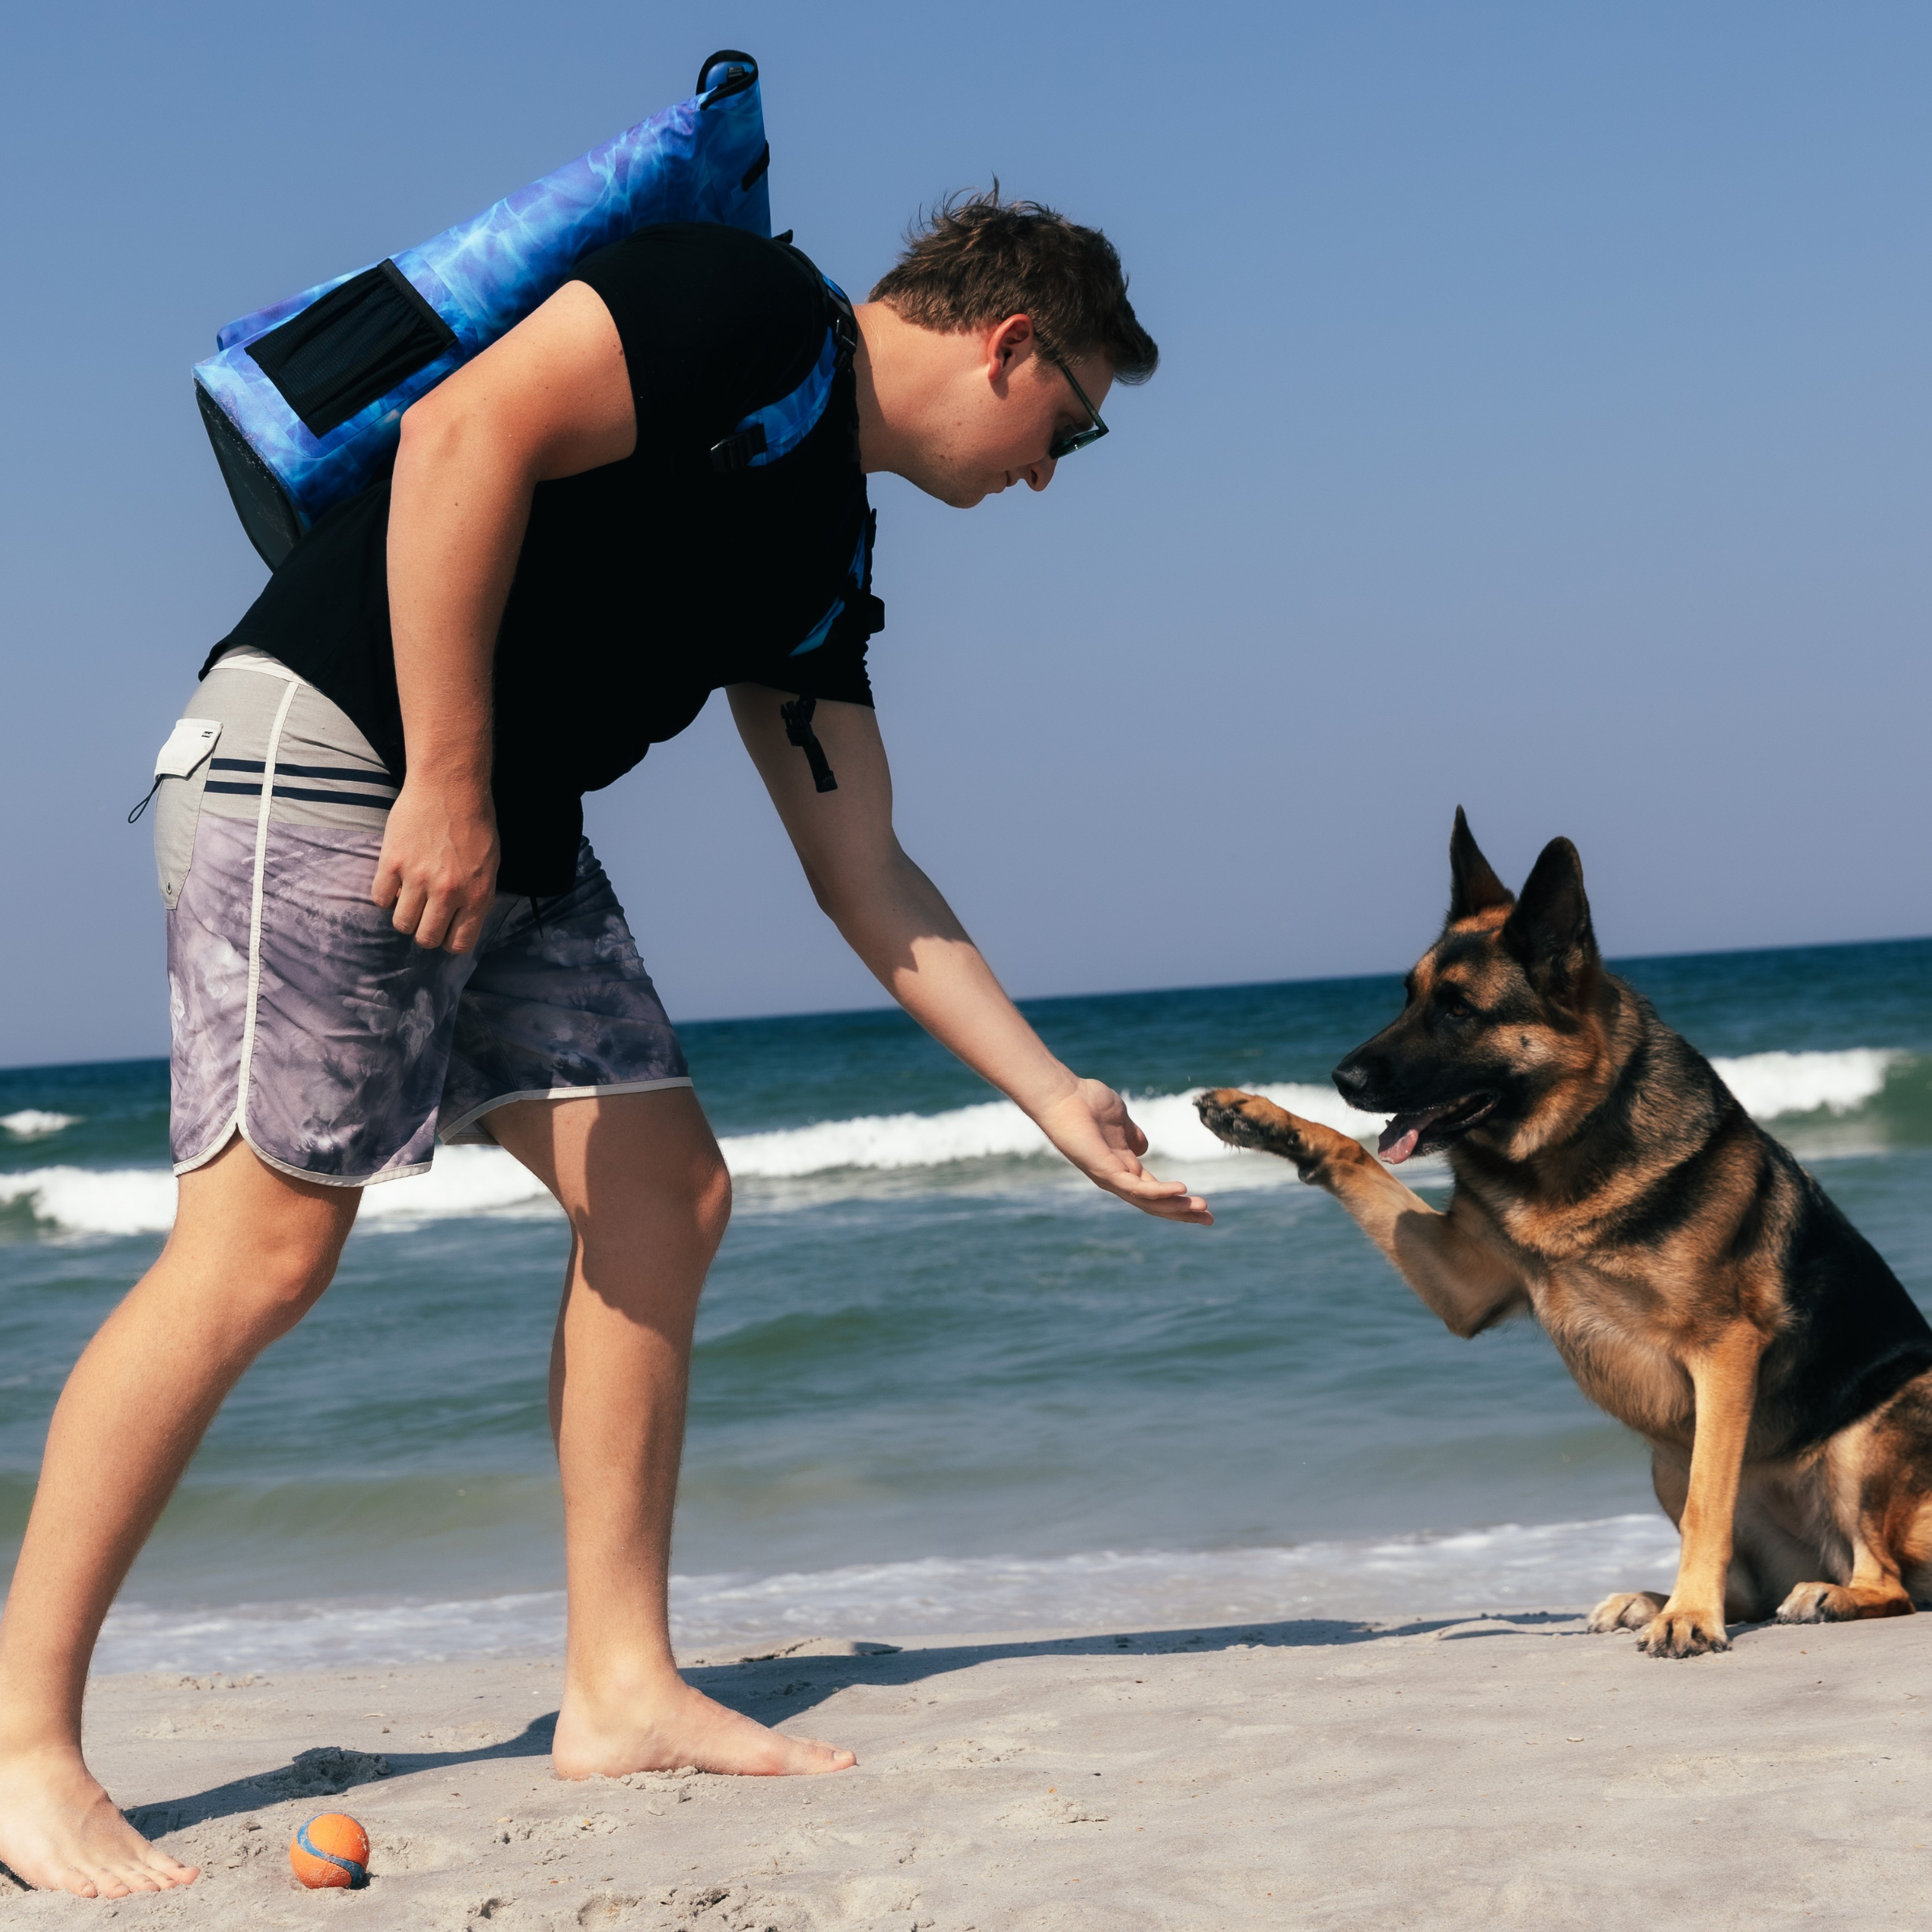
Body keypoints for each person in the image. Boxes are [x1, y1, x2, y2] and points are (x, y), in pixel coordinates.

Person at [0, 192, 1208, 1900]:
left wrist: (1048, 1095)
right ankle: (21, 1745)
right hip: (338, 757)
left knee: (664, 1189)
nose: (1050, 470)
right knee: (261, 1251)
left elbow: (861, 863)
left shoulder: (822, 550)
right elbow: (460, 429)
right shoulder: (740, 304)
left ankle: (617, 1685)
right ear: (1008, 343)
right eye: (1066, 423)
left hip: (502, 818)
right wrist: (442, 774)